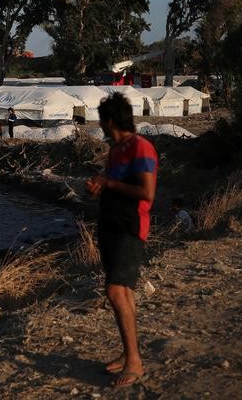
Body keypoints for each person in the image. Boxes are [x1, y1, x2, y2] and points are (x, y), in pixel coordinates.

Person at [85, 92, 157, 389]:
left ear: (110, 120)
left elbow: (147, 193)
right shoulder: (117, 149)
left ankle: (135, 363)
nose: (100, 125)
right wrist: (98, 187)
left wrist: (108, 183)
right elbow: (115, 184)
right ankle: (129, 354)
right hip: (112, 225)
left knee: (116, 293)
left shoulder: (140, 147)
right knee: (123, 293)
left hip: (130, 227)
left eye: (102, 120)